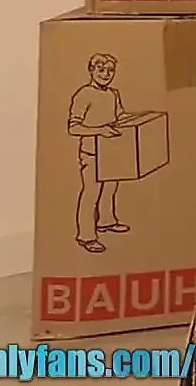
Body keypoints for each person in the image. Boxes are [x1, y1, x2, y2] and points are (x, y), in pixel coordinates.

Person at [67, 53, 131, 253]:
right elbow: (73, 127)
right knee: (91, 193)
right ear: (91, 71)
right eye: (101, 70)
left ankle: (106, 221)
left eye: (110, 70)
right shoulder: (83, 94)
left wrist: (135, 119)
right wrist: (100, 130)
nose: (106, 74)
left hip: (111, 151)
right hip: (91, 152)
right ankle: (86, 235)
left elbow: (120, 116)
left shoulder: (113, 94)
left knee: (110, 188)